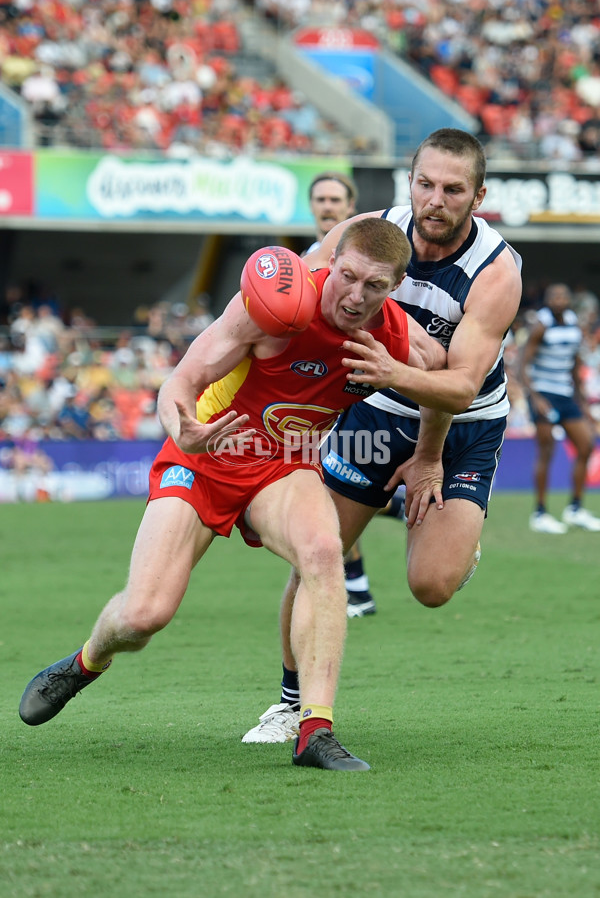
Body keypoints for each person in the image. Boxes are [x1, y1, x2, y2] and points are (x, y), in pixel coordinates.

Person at [18, 218, 446, 772]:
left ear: (396, 287)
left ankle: (315, 730)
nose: (356, 296)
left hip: (284, 464)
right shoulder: (277, 304)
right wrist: (183, 426)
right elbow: (181, 380)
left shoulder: (396, 339)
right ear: (331, 262)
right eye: (348, 276)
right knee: (145, 615)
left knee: (323, 552)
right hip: (206, 455)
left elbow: (440, 380)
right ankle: (84, 662)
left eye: (375, 286)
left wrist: (429, 456)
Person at [242, 127, 523, 746]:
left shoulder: (495, 273)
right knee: (319, 554)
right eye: (425, 184)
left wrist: (426, 456)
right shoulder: (367, 233)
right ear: (410, 181)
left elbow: (457, 387)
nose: (436, 200)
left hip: (464, 424)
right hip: (374, 410)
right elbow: (291, 289)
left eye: (454, 189)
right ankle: (291, 703)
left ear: (479, 196)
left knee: (431, 586)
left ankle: (449, 533)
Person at [306, 170, 405, 617]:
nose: (327, 207)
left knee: (330, 488)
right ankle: (359, 588)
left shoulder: (377, 259)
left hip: (360, 389)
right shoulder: (308, 259)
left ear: (352, 208)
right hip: (315, 390)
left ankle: (356, 587)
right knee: (330, 489)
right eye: (320, 199)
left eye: (335, 200)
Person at [518, 282, 600, 534]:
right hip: (543, 394)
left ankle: (575, 509)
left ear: (569, 300)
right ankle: (540, 513)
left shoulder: (574, 324)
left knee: (586, 446)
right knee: (546, 452)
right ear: (547, 299)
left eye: (563, 295)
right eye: (554, 296)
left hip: (565, 395)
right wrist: (536, 397)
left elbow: (575, 367)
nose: (559, 299)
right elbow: (522, 365)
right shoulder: (541, 326)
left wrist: (583, 403)